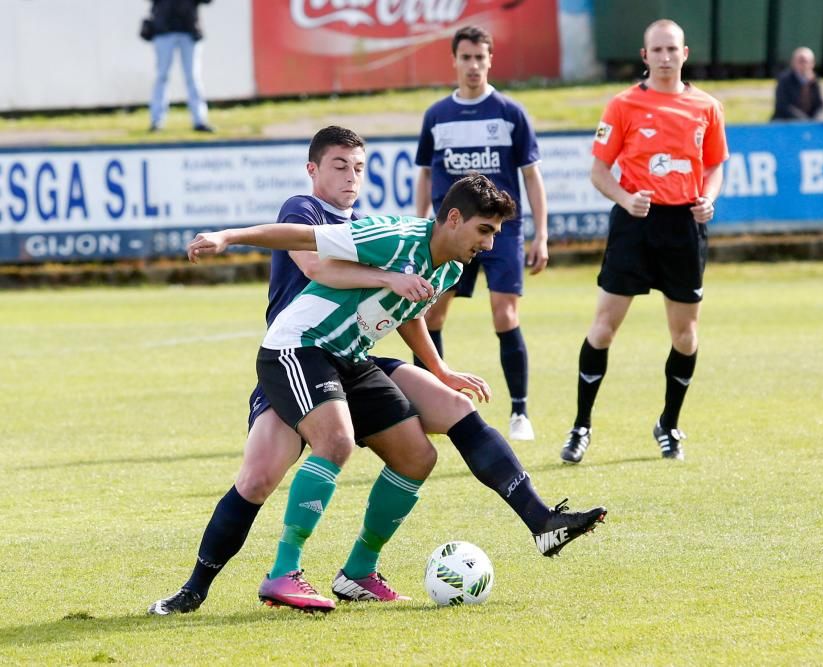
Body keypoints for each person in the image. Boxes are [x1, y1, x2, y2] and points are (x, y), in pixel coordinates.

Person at [148, 135, 605, 614]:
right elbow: (307, 250)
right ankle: (261, 578)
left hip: (350, 355)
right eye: (484, 231)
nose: (489, 244)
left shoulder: (448, 268)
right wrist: (227, 237)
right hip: (298, 349)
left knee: (422, 449)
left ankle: (533, 523)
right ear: (453, 219)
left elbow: (408, 311)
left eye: (358, 168)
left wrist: (441, 369)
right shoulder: (383, 232)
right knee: (276, 469)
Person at [559, 19, 728, 465]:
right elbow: (598, 172)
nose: (666, 57)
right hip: (635, 224)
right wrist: (624, 198)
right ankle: (581, 426)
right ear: (645, 55)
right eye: (658, 49)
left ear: (685, 54)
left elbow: (714, 167)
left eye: (673, 49)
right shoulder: (622, 105)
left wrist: (708, 199)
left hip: (684, 229)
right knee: (603, 328)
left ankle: (669, 425)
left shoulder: (707, 107)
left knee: (686, 336)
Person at [414, 25, 550, 442]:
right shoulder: (437, 116)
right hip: (449, 236)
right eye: (466, 57)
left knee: (504, 315)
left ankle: (519, 413)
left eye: (480, 57)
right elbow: (424, 174)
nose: (473, 65)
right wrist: (420, 227)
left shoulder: (510, 113)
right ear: (454, 61)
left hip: (501, 235)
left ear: (490, 60)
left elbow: (532, 178)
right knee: (432, 314)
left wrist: (541, 234)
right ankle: (427, 406)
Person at [148, 0, 214, 133]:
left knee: (193, 77)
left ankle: (200, 120)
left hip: (189, 28)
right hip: (164, 28)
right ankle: (157, 121)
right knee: (162, 76)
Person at [771, 47, 823, 121]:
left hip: (810, 122)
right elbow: (783, 105)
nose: (803, 65)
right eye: (800, 61)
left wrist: (816, 119)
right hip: (786, 121)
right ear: (793, 62)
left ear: (812, 63)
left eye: (805, 61)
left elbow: (820, 105)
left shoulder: (815, 81)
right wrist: (804, 120)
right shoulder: (784, 79)